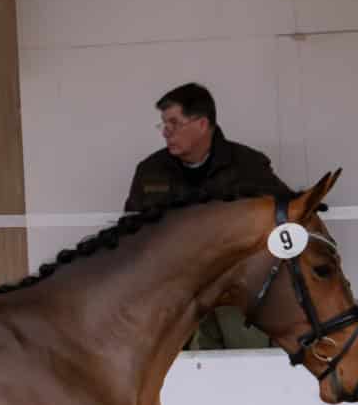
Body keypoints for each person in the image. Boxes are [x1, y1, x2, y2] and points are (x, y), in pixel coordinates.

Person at [123, 82, 291, 349]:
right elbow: (130, 234)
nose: (165, 131)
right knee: (175, 368)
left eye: (174, 123)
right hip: (173, 299)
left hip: (236, 295)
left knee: (249, 364)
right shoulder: (150, 171)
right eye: (163, 124)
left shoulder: (249, 166)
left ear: (202, 124)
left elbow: (286, 218)